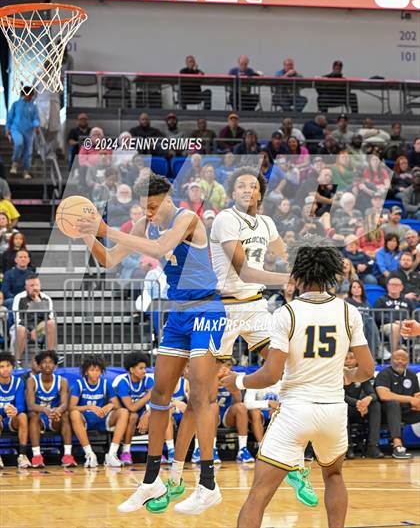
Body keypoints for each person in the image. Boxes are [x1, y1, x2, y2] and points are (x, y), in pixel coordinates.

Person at [146, 168, 316, 514]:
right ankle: (177, 479)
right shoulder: (225, 219)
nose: (245, 189)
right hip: (219, 308)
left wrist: (311, 263)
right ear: (233, 192)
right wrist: (292, 277)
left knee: (294, 371)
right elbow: (244, 271)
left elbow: (286, 253)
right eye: (239, 184)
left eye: (251, 185)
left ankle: (297, 463)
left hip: (254, 307)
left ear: (259, 194)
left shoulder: (266, 223)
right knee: (200, 397)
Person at [77, 173, 226, 515]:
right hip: (178, 313)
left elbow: (160, 249)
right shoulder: (147, 223)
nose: (150, 213)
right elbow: (109, 259)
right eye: (145, 208)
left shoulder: (187, 217)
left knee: (200, 396)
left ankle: (208, 483)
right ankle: (151, 480)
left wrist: (106, 229)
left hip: (206, 309)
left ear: (168, 198)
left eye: (154, 207)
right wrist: (87, 235)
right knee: (159, 395)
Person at [221, 239, 374, 528]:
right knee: (334, 476)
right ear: (331, 274)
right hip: (332, 410)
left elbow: (271, 374)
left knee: (259, 494)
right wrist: (348, 376)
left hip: (296, 410)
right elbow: (366, 369)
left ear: (299, 275)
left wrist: (237, 378)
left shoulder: (287, 313)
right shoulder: (348, 312)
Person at [69, 354, 129, 468]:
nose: (95, 373)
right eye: (92, 370)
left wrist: (110, 406)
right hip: (85, 420)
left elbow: (117, 405)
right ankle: (90, 454)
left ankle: (112, 454)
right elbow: (71, 407)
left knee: (124, 412)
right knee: (74, 414)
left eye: (97, 370)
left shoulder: (106, 384)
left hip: (103, 419)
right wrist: (88, 407)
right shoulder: (79, 384)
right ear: (86, 372)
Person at [26, 350, 76, 468]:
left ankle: (67, 455)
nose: (47, 365)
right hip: (40, 418)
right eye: (44, 362)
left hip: (54, 417)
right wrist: (45, 410)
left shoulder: (62, 381)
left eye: (51, 362)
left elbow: (64, 404)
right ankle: (37, 456)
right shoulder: (32, 381)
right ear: (39, 365)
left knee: (65, 414)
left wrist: (57, 410)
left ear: (55, 365)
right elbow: (31, 405)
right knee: (33, 415)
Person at [375, 348, 420, 459]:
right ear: (391, 360)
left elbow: (417, 396)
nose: (400, 361)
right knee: (393, 403)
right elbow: (383, 395)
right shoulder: (384, 374)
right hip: (385, 413)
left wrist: (417, 403)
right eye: (397, 358)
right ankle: (397, 445)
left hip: (407, 412)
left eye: (403, 359)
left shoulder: (412, 376)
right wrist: (410, 399)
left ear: (407, 361)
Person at [112, 352, 154, 466]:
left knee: (156, 416)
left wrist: (147, 415)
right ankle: (126, 452)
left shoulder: (149, 380)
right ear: (131, 369)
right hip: (126, 417)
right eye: (141, 368)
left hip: (144, 414)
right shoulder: (123, 382)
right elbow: (131, 407)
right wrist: (148, 395)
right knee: (133, 416)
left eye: (145, 368)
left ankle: (155, 453)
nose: (144, 371)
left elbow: (155, 404)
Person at [344, 351, 383, 459]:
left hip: (361, 410)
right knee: (341, 406)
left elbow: (373, 393)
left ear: (357, 360)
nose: (348, 360)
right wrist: (358, 403)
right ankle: (347, 447)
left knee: (375, 404)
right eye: (345, 358)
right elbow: (339, 395)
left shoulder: (362, 373)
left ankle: (372, 446)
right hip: (346, 408)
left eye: (351, 357)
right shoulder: (337, 373)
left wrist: (368, 399)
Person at [12, 274, 57, 365]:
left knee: (51, 323)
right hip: (23, 326)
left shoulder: (46, 298)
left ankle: (51, 358)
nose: (35, 288)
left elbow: (49, 317)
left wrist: (39, 303)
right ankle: (17, 362)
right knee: (20, 329)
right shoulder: (19, 297)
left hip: (40, 328)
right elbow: (17, 318)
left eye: (37, 285)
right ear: (26, 287)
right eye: (32, 286)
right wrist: (31, 329)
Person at [0, 352, 31, 468]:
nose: (5, 369)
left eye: (8, 366)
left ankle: (22, 455)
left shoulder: (18, 382)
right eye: (1, 367)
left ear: (12, 367)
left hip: (12, 419)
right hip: (1, 418)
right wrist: (4, 410)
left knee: (22, 416)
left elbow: (21, 406)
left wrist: (15, 411)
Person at [6, 86, 40, 179]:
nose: (30, 97)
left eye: (31, 96)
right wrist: (7, 129)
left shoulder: (34, 106)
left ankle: (26, 171)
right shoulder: (16, 104)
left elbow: (36, 118)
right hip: (16, 129)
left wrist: (36, 125)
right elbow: (10, 117)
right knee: (19, 144)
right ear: (24, 94)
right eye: (28, 95)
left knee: (28, 152)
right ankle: (14, 163)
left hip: (29, 131)